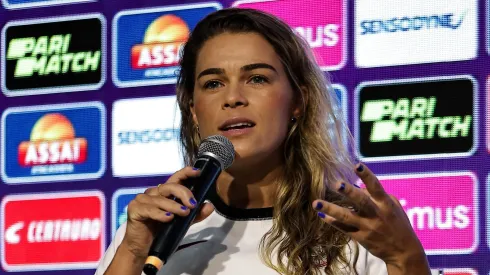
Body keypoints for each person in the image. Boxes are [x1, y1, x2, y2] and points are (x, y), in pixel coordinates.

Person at [96, 8, 431, 275]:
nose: (233, 98)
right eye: (213, 83)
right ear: (194, 112)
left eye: (256, 78)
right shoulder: (151, 233)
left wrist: (406, 259)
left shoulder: (356, 230)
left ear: (297, 101)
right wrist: (132, 252)